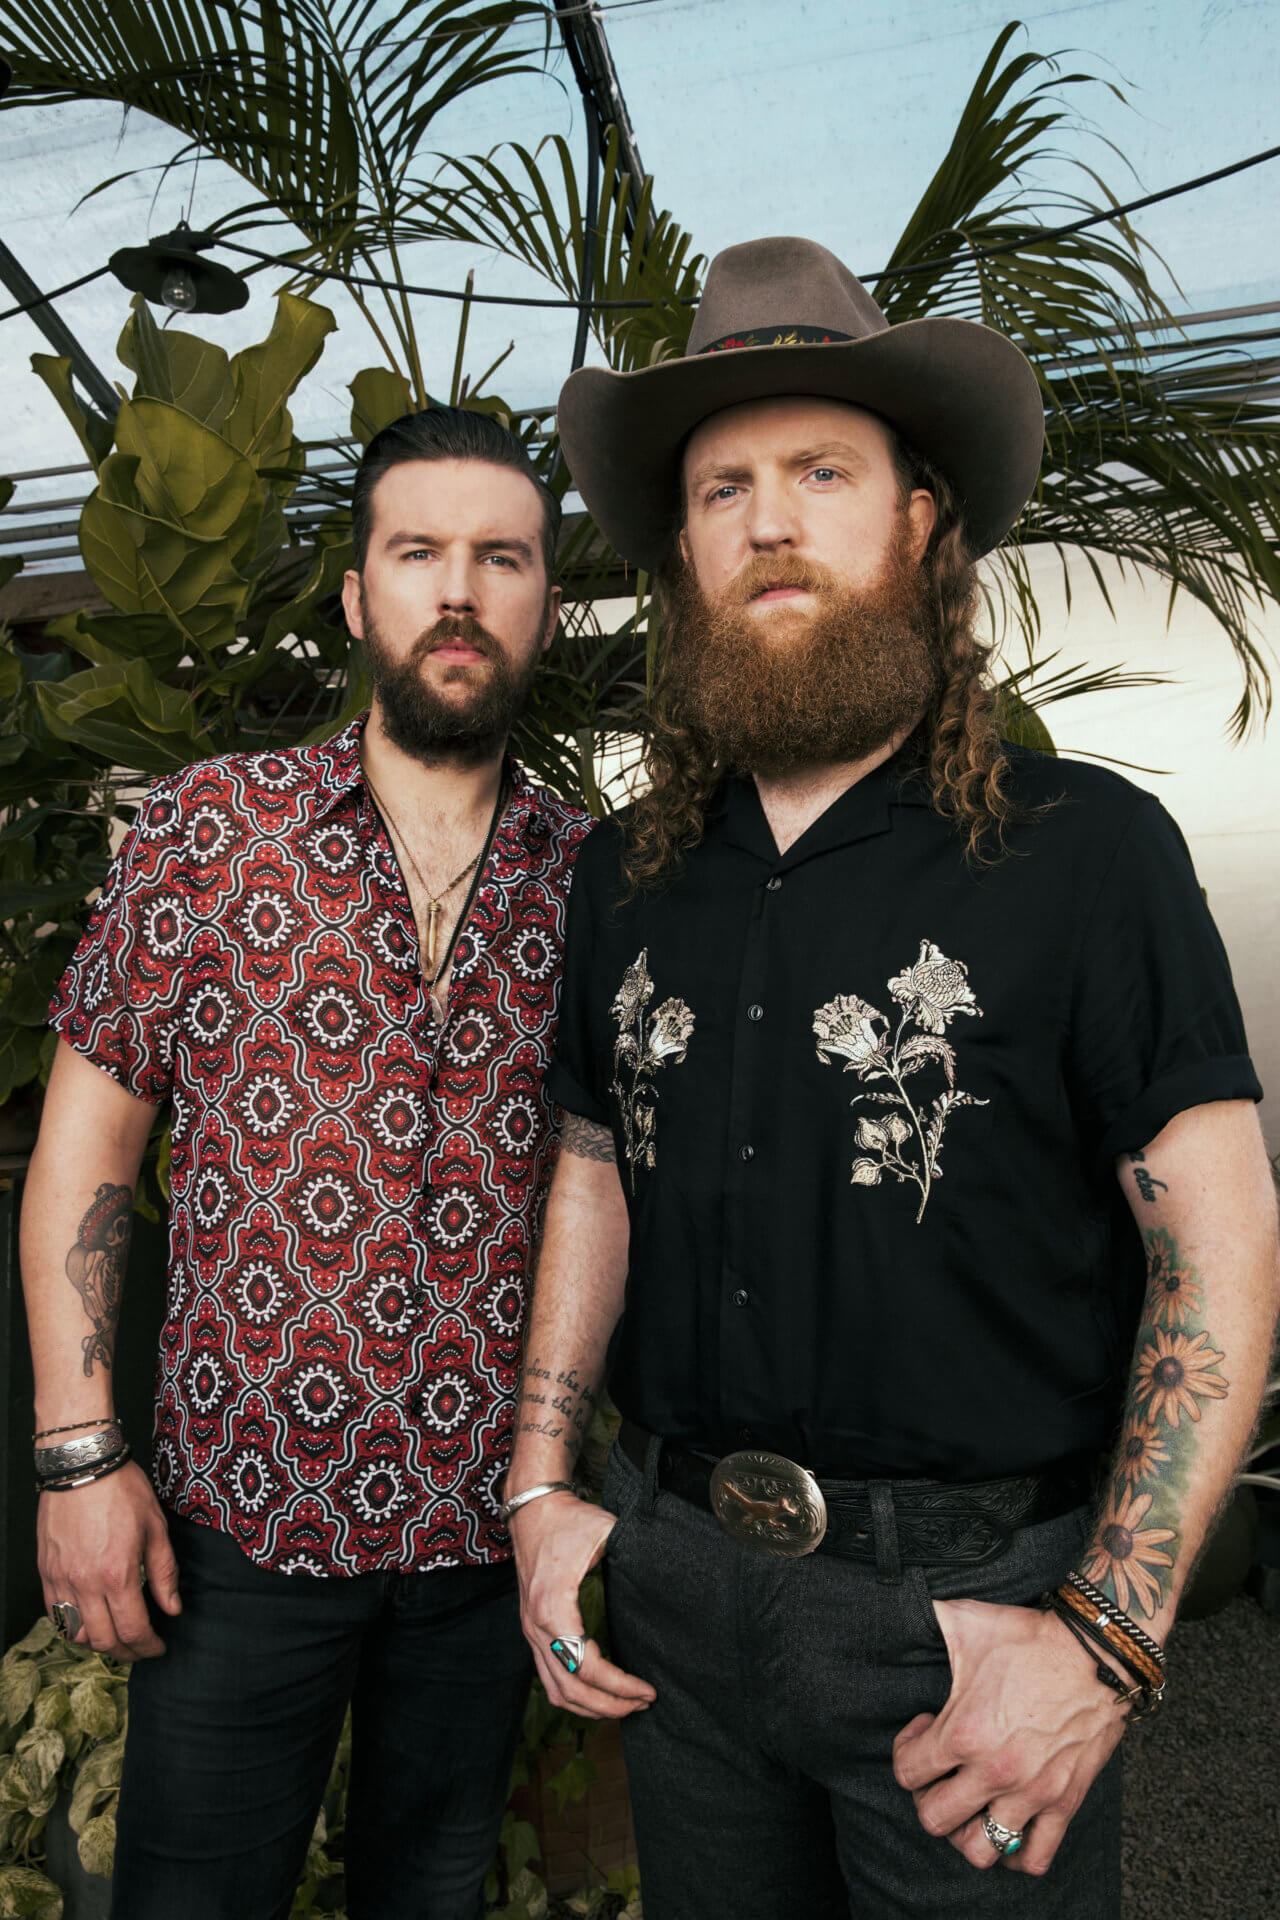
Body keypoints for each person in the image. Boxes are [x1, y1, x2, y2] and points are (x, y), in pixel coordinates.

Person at [500, 238, 1279, 1918]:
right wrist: (544, 1489)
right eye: (723, 490)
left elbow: (1216, 1246)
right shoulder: (624, 875)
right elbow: (589, 1163)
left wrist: (1106, 1644)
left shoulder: (1093, 855)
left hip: (974, 1627)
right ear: (686, 549)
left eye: (820, 472)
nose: (768, 521)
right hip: (681, 1601)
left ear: (923, 523)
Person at [21, 406, 593, 1920]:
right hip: (239, 1533)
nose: (458, 591)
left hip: (487, 1546)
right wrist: (80, 1453)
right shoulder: (214, 831)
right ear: (358, 597)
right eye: (418, 553)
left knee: (433, 1897)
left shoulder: (596, 881)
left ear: (546, 596)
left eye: (501, 558)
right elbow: (88, 1137)